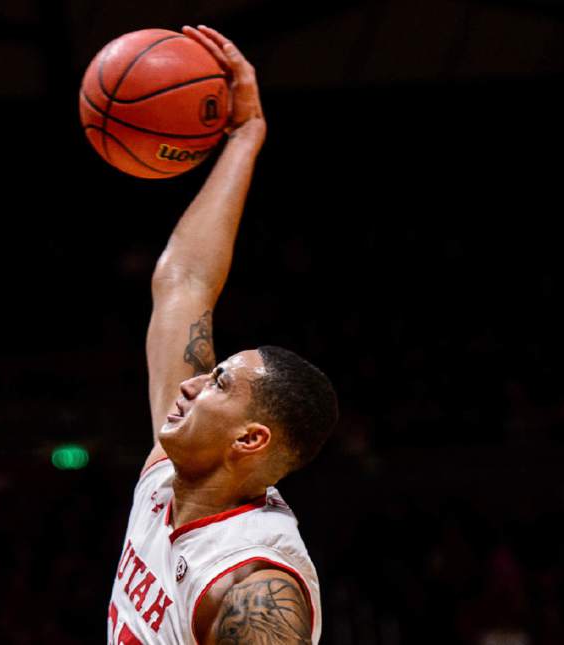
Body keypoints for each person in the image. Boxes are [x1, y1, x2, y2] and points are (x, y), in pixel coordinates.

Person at [107, 26, 339, 645]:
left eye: (218, 383)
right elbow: (183, 280)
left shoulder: (253, 585)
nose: (191, 384)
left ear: (251, 437)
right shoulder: (170, 477)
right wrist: (245, 137)